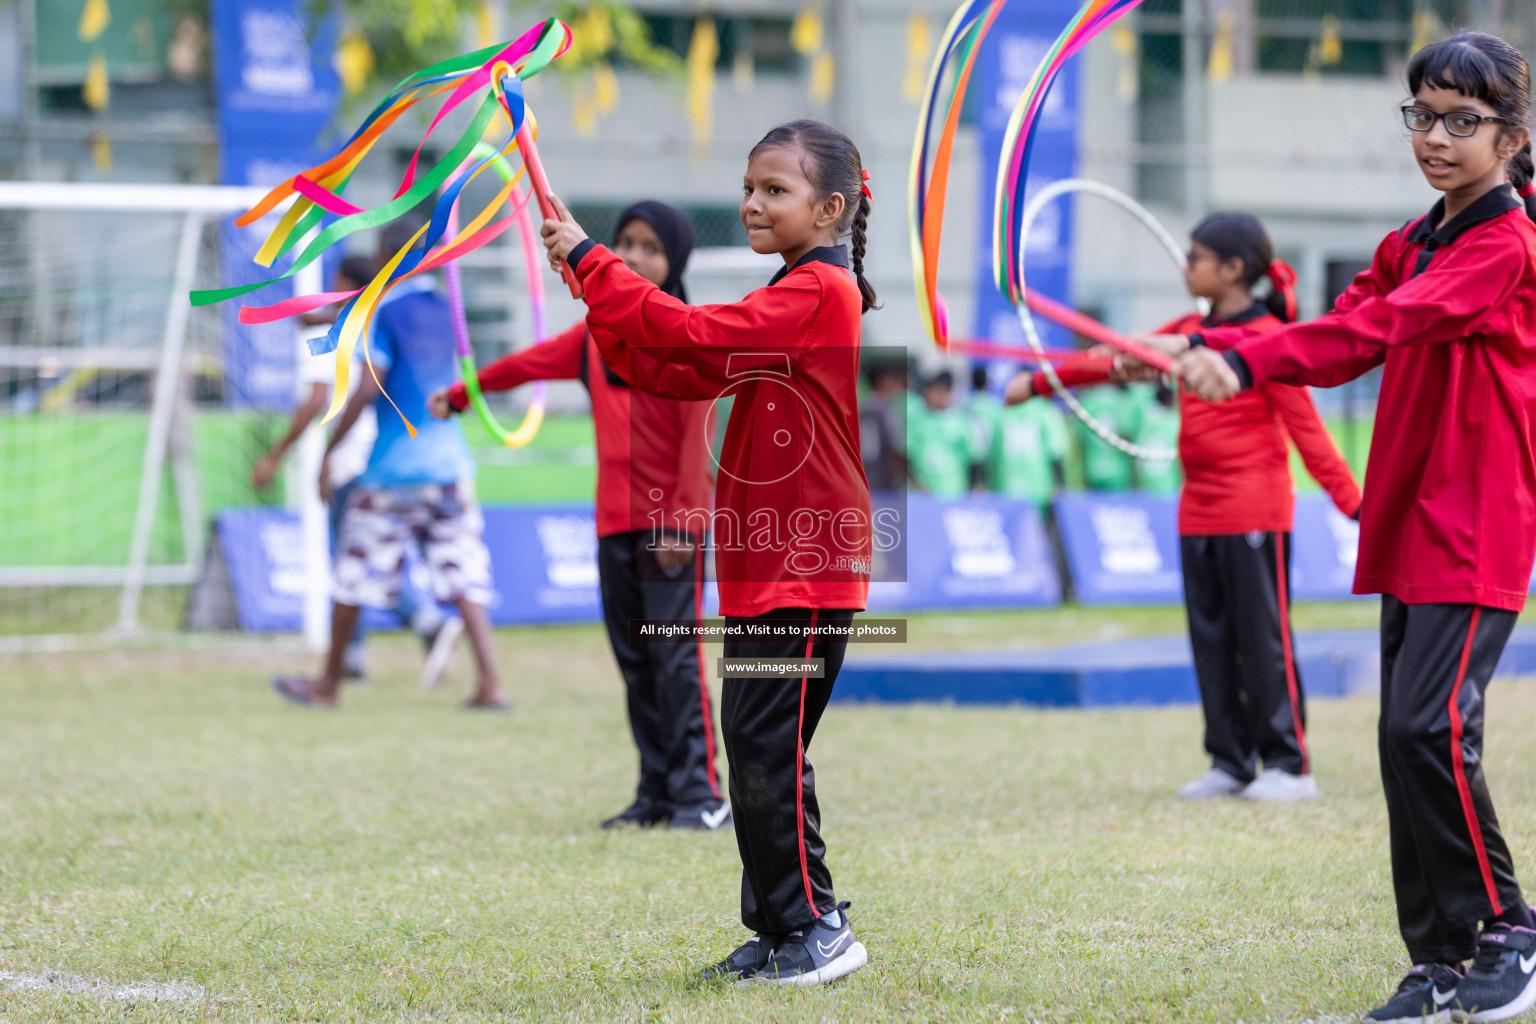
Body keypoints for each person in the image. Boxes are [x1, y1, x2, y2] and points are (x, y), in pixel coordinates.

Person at [1167, 32, 1536, 1023]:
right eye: (1423, 114)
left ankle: (1510, 932)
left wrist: (1245, 361)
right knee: (1399, 739)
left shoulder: (1505, 244)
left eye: (1464, 120)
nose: (1437, 136)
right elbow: (1335, 330)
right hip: (1410, 517)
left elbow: (1385, 326)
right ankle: (1442, 959)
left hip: (1475, 521)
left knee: (1430, 726)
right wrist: (1220, 349)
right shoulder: (1412, 239)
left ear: (1513, 135)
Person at [540, 118, 874, 986]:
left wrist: (592, 262)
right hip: (772, 568)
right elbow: (674, 368)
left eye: (776, 191)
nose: (753, 204)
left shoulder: (817, 294)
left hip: (806, 562)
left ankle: (817, 929)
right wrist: (595, 297)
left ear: (829, 208)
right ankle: (778, 926)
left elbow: (694, 337)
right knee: (757, 745)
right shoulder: (789, 293)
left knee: (765, 746)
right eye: (750, 187)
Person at [1010, 212, 1362, 803]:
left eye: (1196, 257)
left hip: (1255, 511)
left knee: (1263, 640)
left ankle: (1289, 764)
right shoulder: (1186, 331)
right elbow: (1114, 358)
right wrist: (1039, 382)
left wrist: (1358, 509)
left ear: (1232, 270)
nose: (1185, 265)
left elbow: (1312, 438)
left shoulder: (1271, 341)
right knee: (1212, 640)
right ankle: (1229, 761)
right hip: (1196, 509)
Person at [428, 202, 728, 831]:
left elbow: (696, 442)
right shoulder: (596, 337)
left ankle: (701, 796)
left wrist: (681, 520)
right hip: (613, 526)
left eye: (651, 246)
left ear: (676, 260)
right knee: (634, 661)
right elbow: (525, 366)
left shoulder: (687, 334)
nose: (636, 256)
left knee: (675, 659)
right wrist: (462, 393)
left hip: (671, 528)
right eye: (625, 243)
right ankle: (656, 792)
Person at [271, 219, 506, 711]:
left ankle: (328, 685)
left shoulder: (384, 310)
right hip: (451, 466)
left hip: (396, 467)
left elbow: (367, 382)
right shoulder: (449, 309)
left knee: (353, 571)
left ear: (385, 257)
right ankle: (490, 684)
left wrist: (330, 451)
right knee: (463, 573)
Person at [254, 256, 460, 687]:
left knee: (354, 565)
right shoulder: (372, 321)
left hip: (357, 462)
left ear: (345, 284)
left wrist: (281, 456)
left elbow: (316, 400)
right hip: (388, 456)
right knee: (367, 559)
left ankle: (422, 625)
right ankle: (357, 656)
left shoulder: (334, 335)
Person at [906, 370, 972, 497]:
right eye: (931, 392)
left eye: (939, 392)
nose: (935, 396)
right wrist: (916, 483)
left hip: (954, 489)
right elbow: (906, 457)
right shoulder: (918, 422)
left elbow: (972, 458)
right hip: (924, 493)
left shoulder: (959, 422)